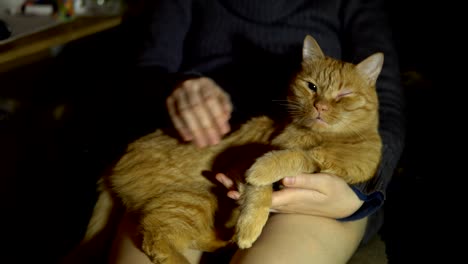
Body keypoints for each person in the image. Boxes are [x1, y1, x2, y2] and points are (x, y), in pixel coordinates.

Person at [107, 0, 405, 263]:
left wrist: (361, 191)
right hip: (203, 151)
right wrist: (175, 88)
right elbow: (143, 72)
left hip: (316, 167)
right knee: (157, 241)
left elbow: (387, 103)